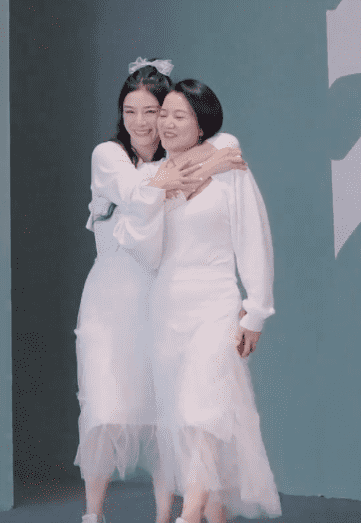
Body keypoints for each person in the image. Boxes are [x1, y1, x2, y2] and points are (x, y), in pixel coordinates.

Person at [74, 58, 247, 523]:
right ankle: (93, 513)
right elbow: (135, 190)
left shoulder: (179, 156)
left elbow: (212, 163)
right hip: (111, 297)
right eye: (129, 111)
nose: (141, 122)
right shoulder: (107, 155)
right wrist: (203, 164)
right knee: (104, 404)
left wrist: (201, 162)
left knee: (165, 409)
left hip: (164, 295)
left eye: (151, 111)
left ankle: (165, 516)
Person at [117, 79, 282, 523]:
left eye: (180, 115)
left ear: (202, 125)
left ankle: (188, 515)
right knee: (182, 417)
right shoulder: (151, 177)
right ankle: (212, 513)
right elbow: (143, 250)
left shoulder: (229, 164)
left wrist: (257, 310)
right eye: (162, 114)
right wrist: (156, 192)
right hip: (167, 307)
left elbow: (254, 237)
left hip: (216, 303)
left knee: (201, 406)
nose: (166, 124)